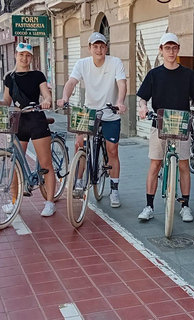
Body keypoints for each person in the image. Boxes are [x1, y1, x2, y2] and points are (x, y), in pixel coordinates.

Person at [137, 32, 194, 222]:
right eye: (167, 48)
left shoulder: (187, 74)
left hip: (181, 125)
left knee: (184, 165)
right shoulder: (154, 74)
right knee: (155, 164)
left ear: (178, 49)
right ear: (161, 50)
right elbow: (143, 97)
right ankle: (149, 205)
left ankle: (185, 206)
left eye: (174, 48)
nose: (171, 51)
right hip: (159, 124)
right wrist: (143, 107)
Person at [57, 32, 127, 208]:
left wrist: (120, 102)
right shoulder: (82, 64)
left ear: (106, 48)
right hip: (88, 113)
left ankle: (114, 189)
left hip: (110, 112)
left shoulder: (115, 62)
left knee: (112, 151)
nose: (99, 49)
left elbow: (122, 84)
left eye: (102, 46)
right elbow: (71, 82)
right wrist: (65, 97)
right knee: (80, 144)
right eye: (95, 46)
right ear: (89, 48)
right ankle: (79, 181)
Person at [0, 43, 56, 217]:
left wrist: (47, 100)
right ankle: (13, 201)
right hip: (18, 121)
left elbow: (46, 93)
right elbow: (6, 101)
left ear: (31, 58)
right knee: (15, 163)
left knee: (45, 163)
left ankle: (49, 202)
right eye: (21, 55)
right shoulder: (9, 77)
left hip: (35, 118)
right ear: (16, 55)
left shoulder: (37, 75)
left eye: (28, 56)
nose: (24, 58)